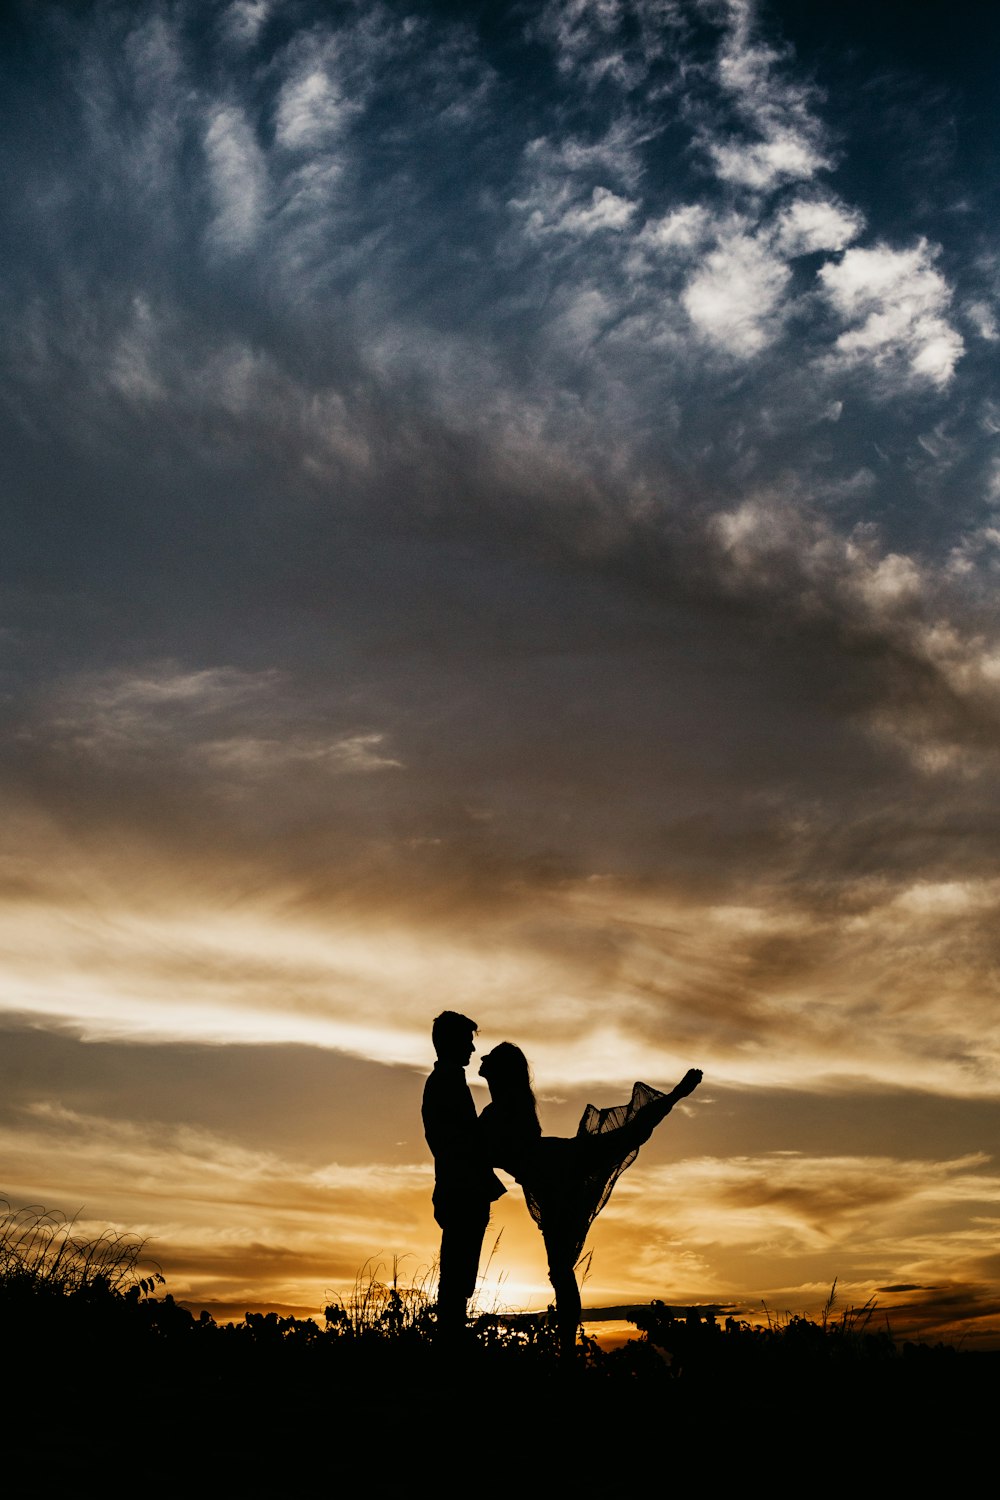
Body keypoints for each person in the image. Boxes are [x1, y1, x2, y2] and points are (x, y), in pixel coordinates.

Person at [478, 1042, 702, 1357]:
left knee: (625, 1136)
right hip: (550, 1174)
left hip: (555, 1167)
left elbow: (491, 1150)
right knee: (560, 1269)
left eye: (490, 1059)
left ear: (501, 1071)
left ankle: (567, 1350)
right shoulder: (503, 1109)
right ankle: (567, 1349)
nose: (481, 1059)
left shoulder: (504, 1111)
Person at [422, 1011, 506, 1342]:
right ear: (451, 1043)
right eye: (468, 1042)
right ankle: (450, 1351)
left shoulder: (449, 1080)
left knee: (458, 1284)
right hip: (461, 1191)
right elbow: (456, 1142)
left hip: (461, 1189)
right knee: (456, 1284)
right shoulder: (445, 1082)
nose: (472, 1050)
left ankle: (451, 1343)